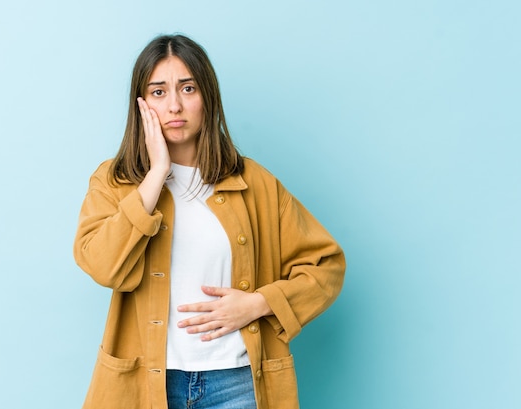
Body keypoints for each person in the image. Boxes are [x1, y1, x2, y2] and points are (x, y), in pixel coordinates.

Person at [73, 34, 345, 409]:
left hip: (237, 384)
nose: (174, 105)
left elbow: (325, 266)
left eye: (188, 88)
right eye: (158, 92)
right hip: (145, 384)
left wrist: (260, 303)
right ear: (141, 104)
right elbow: (103, 266)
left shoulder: (254, 182)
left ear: (208, 98)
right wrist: (156, 176)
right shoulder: (115, 181)